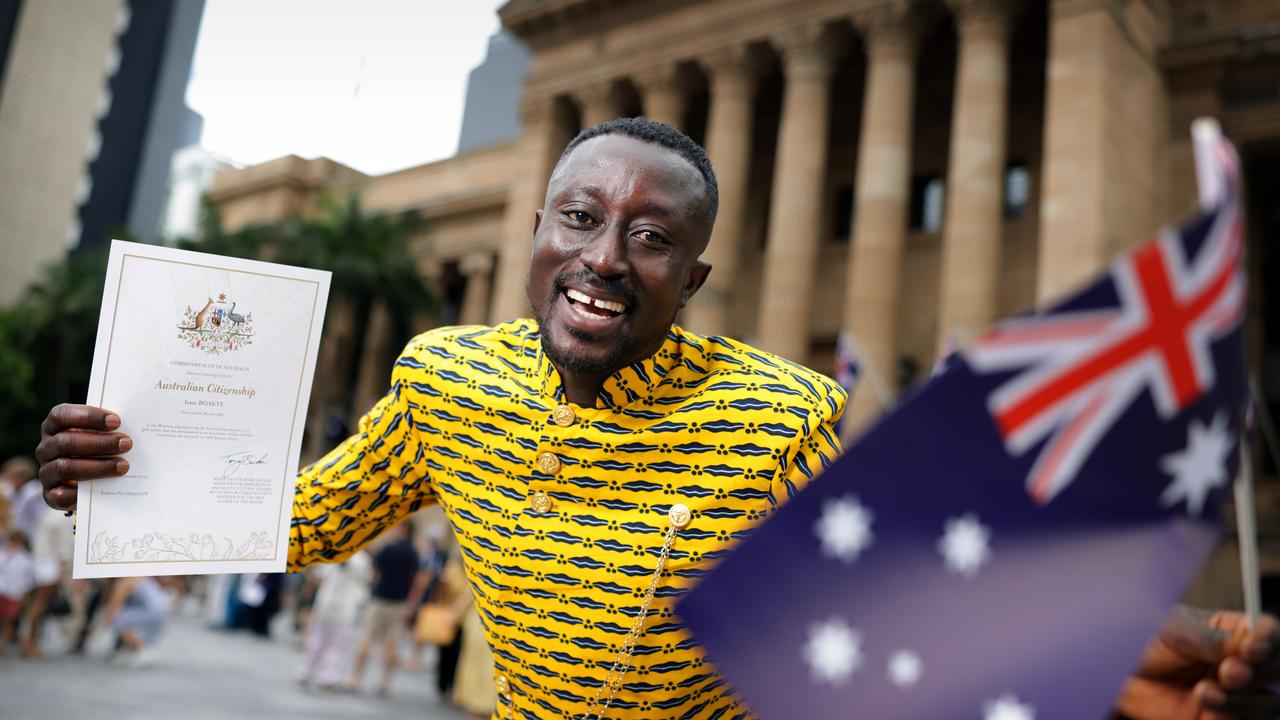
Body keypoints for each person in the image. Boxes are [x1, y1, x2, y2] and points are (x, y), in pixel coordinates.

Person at [33, 118, 1280, 718]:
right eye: (578, 217)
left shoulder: (781, 412)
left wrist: (1119, 643)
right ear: (536, 232)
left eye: (650, 236)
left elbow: (908, 578)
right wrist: (121, 480)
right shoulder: (441, 381)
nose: (603, 256)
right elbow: (300, 523)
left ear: (690, 277)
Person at [346, 521, 418, 696]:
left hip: (380, 599)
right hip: (399, 603)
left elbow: (375, 567)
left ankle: (356, 678)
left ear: (403, 530)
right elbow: (415, 579)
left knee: (366, 638)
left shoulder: (389, 548)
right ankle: (385, 682)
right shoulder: (414, 553)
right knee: (392, 644)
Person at [297, 550, 373, 689]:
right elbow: (319, 574)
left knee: (338, 644)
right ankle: (308, 671)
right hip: (325, 604)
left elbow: (365, 579)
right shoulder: (333, 552)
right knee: (317, 639)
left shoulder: (362, 559)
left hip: (346, 607)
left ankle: (330, 676)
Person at [0, 529, 34, 658]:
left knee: (9, 622)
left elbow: (28, 577)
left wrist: (24, 592)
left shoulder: (25, 558)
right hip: (2, 591)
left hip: (15, 594)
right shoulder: (3, 554)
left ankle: (3, 646)